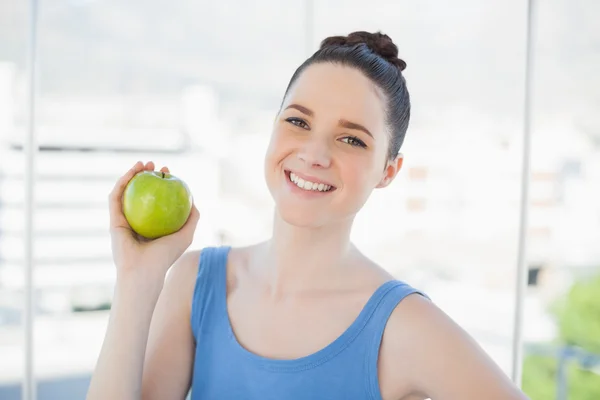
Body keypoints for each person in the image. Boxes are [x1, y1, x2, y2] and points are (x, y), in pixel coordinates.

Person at [86, 31, 529, 400]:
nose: (314, 154)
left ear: (388, 171)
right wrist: (137, 277)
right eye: (298, 122)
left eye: (352, 140)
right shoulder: (194, 282)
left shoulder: (406, 327)